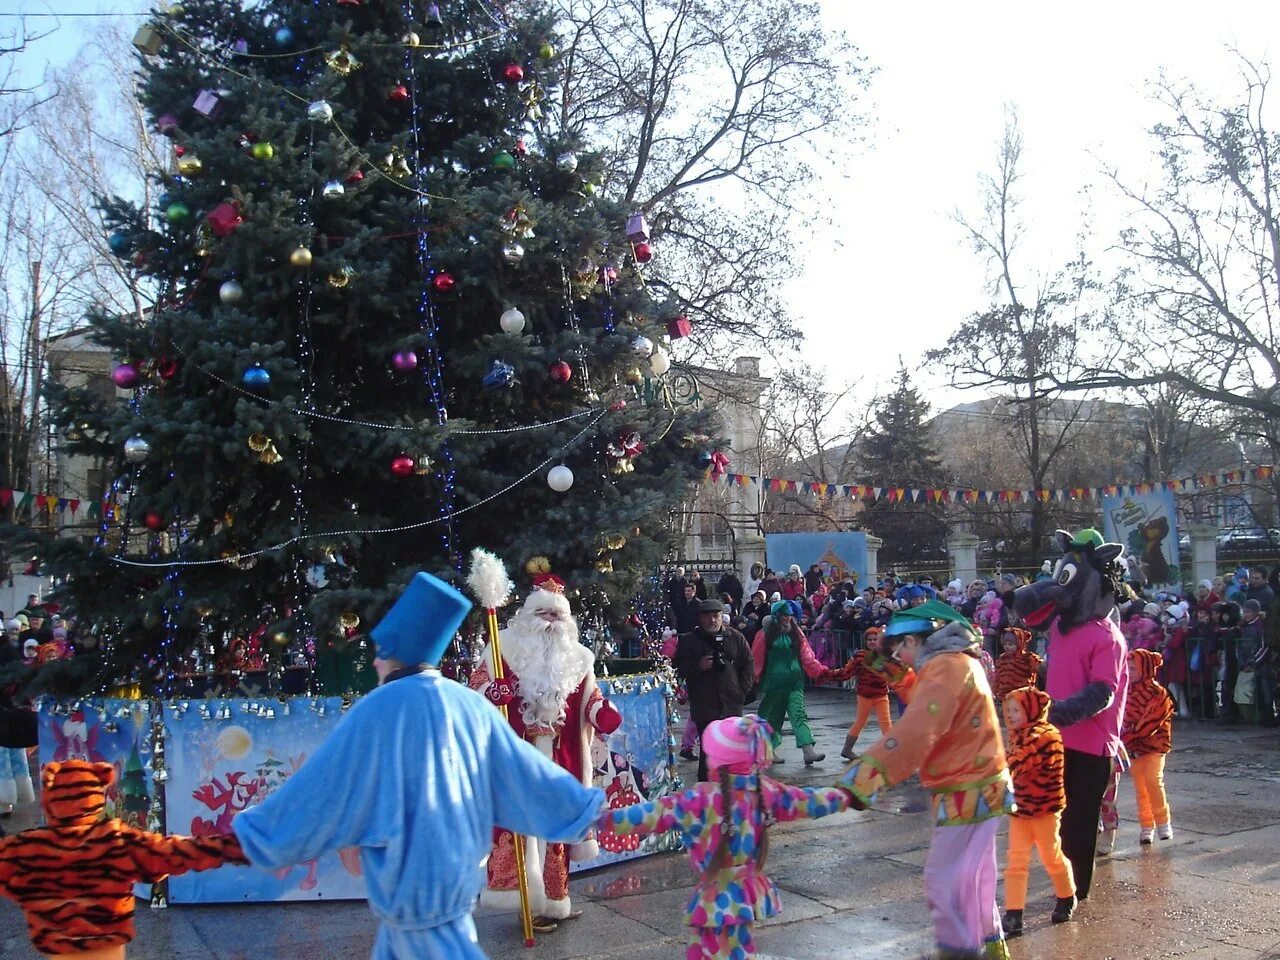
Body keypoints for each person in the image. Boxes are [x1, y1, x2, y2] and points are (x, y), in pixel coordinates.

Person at [232, 572, 607, 959]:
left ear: (394, 648)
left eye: (379, 650)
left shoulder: (377, 709)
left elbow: (317, 793)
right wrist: (585, 812)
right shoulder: (469, 705)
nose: (375, 659)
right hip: (452, 915)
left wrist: (251, 836)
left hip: (411, 919)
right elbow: (528, 775)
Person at [596, 715, 856, 960]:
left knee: (719, 950)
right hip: (746, 891)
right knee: (730, 948)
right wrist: (844, 796)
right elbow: (809, 801)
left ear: (717, 760)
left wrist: (602, 819)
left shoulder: (700, 799)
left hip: (717, 897)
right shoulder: (764, 791)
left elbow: (650, 815)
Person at [840, 602, 1012, 960]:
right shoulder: (956, 661)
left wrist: (866, 777)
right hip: (984, 783)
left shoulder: (946, 667)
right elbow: (919, 692)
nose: (900, 654)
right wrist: (880, 663)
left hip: (966, 786)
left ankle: (960, 952)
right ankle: (990, 944)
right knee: (976, 877)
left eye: (902, 646)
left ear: (920, 640)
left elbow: (919, 726)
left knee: (945, 878)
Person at [469, 578, 622, 928]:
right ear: (527, 615)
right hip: (516, 756)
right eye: (543, 612)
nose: (550, 620)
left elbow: (591, 698)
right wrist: (493, 692)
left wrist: (602, 713)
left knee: (555, 833)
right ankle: (525, 903)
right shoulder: (502, 648)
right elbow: (474, 689)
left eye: (557, 614)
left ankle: (553, 901)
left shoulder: (580, 659)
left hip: (560, 757)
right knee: (521, 830)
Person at [0, 759, 245, 958]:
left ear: (50, 798)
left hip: (57, 949)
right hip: (107, 948)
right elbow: (173, 851)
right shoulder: (116, 841)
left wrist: (30, 895)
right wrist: (228, 847)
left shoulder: (28, 848)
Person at [1011, 529, 1128, 904]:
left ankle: (1077, 891)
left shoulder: (1106, 636)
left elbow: (1103, 691)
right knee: (1055, 819)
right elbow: (1058, 674)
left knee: (1080, 823)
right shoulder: (1061, 632)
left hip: (1092, 745)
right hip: (1056, 740)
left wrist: (1058, 713)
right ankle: (1064, 887)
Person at [1000, 686, 1076, 937]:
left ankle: (1067, 896)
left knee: (1051, 856)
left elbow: (1019, 761)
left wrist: (992, 768)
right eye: (1008, 710)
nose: (1009, 715)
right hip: (1020, 808)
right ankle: (1013, 912)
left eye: (1016, 710)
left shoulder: (1046, 735)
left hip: (1045, 808)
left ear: (1032, 710)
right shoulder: (1018, 734)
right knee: (1016, 860)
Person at [674, 599, 754, 783]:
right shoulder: (689, 640)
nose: (713, 620)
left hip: (731, 704)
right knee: (709, 750)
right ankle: (707, 789)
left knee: (731, 749)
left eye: (716, 616)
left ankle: (731, 790)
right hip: (705, 704)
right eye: (708, 616)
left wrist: (741, 691)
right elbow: (678, 669)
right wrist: (698, 666)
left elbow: (748, 664)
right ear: (700, 618)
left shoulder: (735, 637)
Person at [751, 601, 831, 765]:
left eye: (789, 615)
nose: (788, 618)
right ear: (777, 616)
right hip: (774, 684)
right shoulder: (765, 633)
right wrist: (751, 679)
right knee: (771, 717)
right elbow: (756, 658)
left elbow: (807, 655)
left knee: (799, 715)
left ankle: (808, 751)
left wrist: (821, 671)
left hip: (794, 682)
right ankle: (768, 751)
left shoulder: (796, 632)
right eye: (785, 615)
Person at [829, 627, 912, 760]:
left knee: (886, 723)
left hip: (881, 694)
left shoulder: (885, 656)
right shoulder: (860, 656)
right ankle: (847, 749)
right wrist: (828, 674)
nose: (872, 642)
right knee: (860, 722)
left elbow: (897, 673)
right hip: (864, 695)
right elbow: (846, 672)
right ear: (865, 641)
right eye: (869, 640)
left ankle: (891, 752)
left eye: (874, 639)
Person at [1122, 649, 1175, 844]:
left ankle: (1163, 822)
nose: (1130, 671)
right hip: (1134, 749)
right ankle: (1146, 825)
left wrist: (1127, 736)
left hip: (1154, 746)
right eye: (1127, 667)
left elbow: (1151, 722)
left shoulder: (1158, 693)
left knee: (1154, 781)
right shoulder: (1125, 690)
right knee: (1140, 788)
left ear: (1146, 668)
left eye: (1134, 668)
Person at [1237, 599, 1267, 724]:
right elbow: (1240, 646)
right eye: (1244, 612)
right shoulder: (1244, 626)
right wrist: (1243, 663)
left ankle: (1264, 716)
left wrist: (1253, 663)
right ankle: (1251, 716)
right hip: (1246, 663)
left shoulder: (1260, 626)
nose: (1245, 614)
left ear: (1256, 612)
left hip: (1260, 664)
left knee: (1263, 692)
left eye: (1248, 612)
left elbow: (1263, 646)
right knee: (1249, 693)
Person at [993, 627, 1041, 703]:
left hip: (1022, 697)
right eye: (1005, 644)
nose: (1007, 646)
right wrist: (995, 691)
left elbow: (1040, 668)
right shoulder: (1002, 659)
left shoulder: (1027, 658)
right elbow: (997, 678)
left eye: (1010, 644)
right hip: (1005, 698)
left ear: (1019, 644)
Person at [1215, 601, 1243, 724]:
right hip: (1226, 661)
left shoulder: (1236, 630)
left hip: (1234, 661)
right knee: (1226, 687)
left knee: (1230, 687)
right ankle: (1227, 713)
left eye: (1227, 614)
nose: (1225, 617)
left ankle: (1231, 713)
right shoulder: (1222, 629)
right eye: (1224, 614)